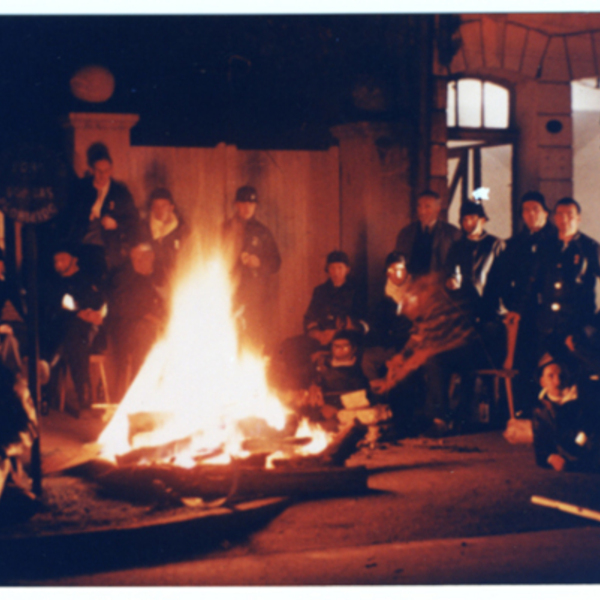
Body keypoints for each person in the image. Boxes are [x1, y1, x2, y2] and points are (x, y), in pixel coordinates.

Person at [272, 250, 366, 390]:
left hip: (343, 339)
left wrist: (335, 333)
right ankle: (294, 392)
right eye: (332, 268)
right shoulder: (320, 291)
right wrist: (317, 333)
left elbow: (361, 322)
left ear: (347, 269)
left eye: (340, 268)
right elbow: (309, 317)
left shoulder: (356, 291)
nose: (336, 272)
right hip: (320, 337)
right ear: (327, 270)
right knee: (288, 346)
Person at [500, 191, 557, 415]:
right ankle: (525, 410)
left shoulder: (556, 240)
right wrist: (511, 304)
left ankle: (549, 409)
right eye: (526, 210)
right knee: (523, 362)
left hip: (549, 312)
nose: (531, 214)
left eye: (536, 209)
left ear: (545, 212)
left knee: (547, 360)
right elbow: (502, 278)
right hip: (522, 312)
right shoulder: (515, 244)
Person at [42, 245, 106, 416]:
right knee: (72, 336)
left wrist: (94, 314)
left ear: (74, 260)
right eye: (56, 261)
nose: (58, 264)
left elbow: (99, 304)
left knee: (75, 338)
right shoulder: (54, 284)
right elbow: (54, 308)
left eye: (62, 260)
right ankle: (83, 399)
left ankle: (82, 398)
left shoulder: (86, 280)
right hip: (62, 332)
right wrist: (78, 313)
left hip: (86, 333)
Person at [535, 197, 600, 363]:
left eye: (570, 215)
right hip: (547, 325)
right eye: (560, 214)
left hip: (577, 326)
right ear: (554, 218)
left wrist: (592, 323)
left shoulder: (590, 248)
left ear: (579, 218)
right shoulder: (545, 246)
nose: (564, 219)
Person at [65, 142, 139, 280]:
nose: (103, 175)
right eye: (99, 171)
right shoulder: (81, 189)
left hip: (107, 249)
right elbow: (70, 217)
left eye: (106, 171)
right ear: (92, 170)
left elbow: (133, 220)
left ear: (111, 170)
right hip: (81, 245)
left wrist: (116, 224)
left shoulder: (120, 192)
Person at [105, 241, 166, 402]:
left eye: (141, 258)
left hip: (159, 327)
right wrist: (146, 315)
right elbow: (119, 305)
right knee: (143, 336)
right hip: (127, 329)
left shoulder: (160, 275)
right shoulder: (124, 278)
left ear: (151, 257)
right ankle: (136, 394)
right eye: (134, 258)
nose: (137, 262)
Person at [222, 185, 281, 350]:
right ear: (236, 205)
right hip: (230, 291)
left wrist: (259, 263)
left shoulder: (262, 232)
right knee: (229, 333)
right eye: (243, 203)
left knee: (253, 337)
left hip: (256, 294)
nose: (247, 207)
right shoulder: (225, 229)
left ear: (255, 206)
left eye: (251, 204)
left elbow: (276, 262)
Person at [532, 354, 600, 472]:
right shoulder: (541, 411)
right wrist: (551, 458)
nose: (558, 381)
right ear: (542, 381)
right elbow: (540, 449)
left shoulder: (581, 399)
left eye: (561, 375)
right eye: (551, 376)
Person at [394, 190, 461, 277]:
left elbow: (457, 265)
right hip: (411, 285)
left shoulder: (451, 233)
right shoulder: (406, 232)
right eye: (419, 206)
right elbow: (398, 260)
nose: (422, 211)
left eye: (427, 207)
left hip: (440, 285)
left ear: (438, 209)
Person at [138, 187, 187, 288]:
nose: (160, 210)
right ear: (152, 208)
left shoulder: (181, 229)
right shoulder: (144, 229)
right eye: (156, 206)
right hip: (150, 283)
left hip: (177, 280)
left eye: (163, 206)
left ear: (171, 207)